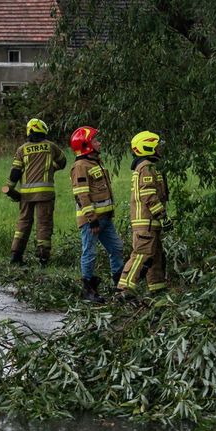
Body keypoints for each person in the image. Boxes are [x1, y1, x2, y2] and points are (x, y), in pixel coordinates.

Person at [70, 126, 124, 302]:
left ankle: (120, 285)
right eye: (95, 140)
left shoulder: (95, 162)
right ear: (86, 144)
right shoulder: (80, 166)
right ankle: (88, 290)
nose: (99, 143)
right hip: (91, 221)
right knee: (90, 253)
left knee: (116, 248)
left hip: (105, 219)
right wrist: (92, 219)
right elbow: (82, 195)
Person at [3, 118, 66, 265]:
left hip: (26, 194)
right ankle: (43, 258)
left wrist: (9, 187)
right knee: (44, 224)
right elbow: (62, 162)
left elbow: (15, 171)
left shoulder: (22, 149)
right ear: (43, 130)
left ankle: (15, 255)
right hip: (45, 193)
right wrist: (52, 167)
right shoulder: (51, 147)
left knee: (23, 223)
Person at [117, 131, 169, 298]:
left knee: (155, 257)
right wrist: (162, 215)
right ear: (147, 147)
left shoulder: (148, 165)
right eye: (157, 145)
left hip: (149, 222)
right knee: (142, 255)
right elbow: (149, 195)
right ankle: (124, 290)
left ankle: (157, 289)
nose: (160, 149)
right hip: (146, 222)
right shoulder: (146, 167)